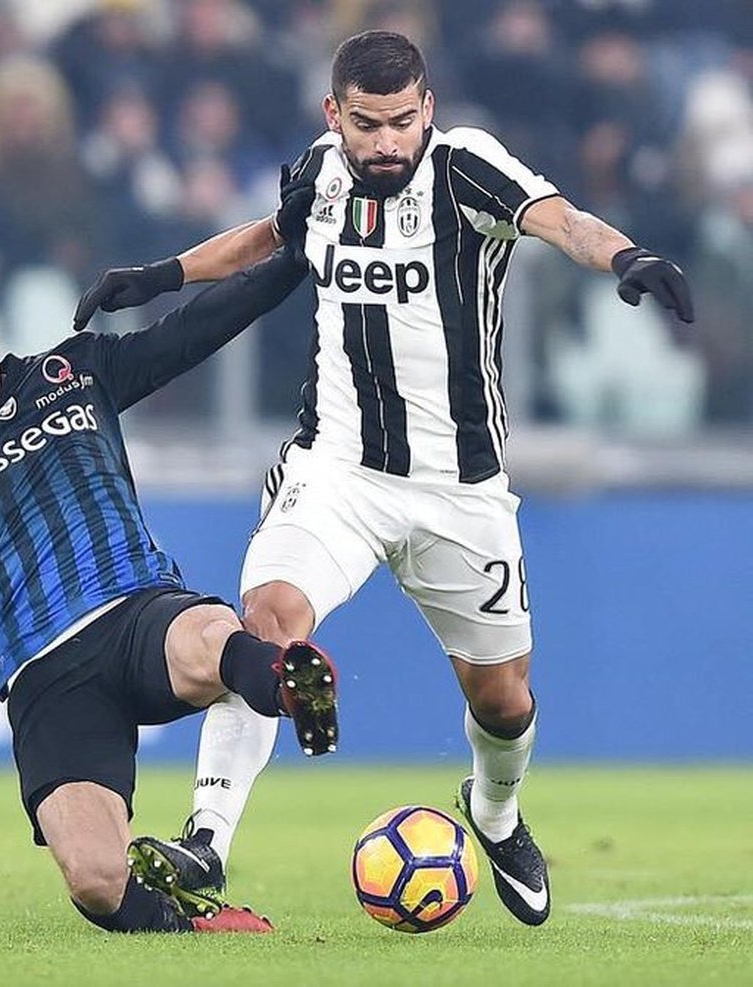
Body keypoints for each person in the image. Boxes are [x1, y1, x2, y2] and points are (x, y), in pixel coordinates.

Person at [73, 30, 694, 928]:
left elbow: (562, 220)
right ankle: (207, 837)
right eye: (369, 125)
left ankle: (495, 811)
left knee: (503, 696)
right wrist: (158, 276)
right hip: (337, 471)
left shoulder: (466, 167)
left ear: (427, 109)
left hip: (460, 489)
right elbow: (267, 239)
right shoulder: (321, 173)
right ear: (337, 116)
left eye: (403, 121)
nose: (388, 142)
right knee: (268, 620)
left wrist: (627, 257)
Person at [0, 239, 339, 935]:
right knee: (97, 881)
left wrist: (297, 260)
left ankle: (291, 685)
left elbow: (197, 330)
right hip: (46, 674)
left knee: (212, 635)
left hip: (138, 611)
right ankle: (185, 922)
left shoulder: (73, 371)